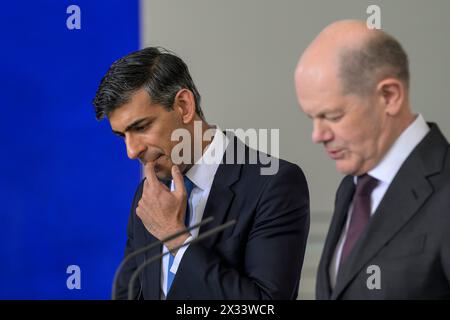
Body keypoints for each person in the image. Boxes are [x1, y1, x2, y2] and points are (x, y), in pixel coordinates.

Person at [93, 47, 310, 299]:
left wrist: (175, 237)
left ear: (184, 106)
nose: (131, 151)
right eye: (122, 136)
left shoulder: (274, 184)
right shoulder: (148, 193)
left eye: (141, 127)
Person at [295, 20, 450, 299]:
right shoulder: (351, 188)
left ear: (389, 96)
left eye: (332, 116)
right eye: (312, 118)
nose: (317, 135)